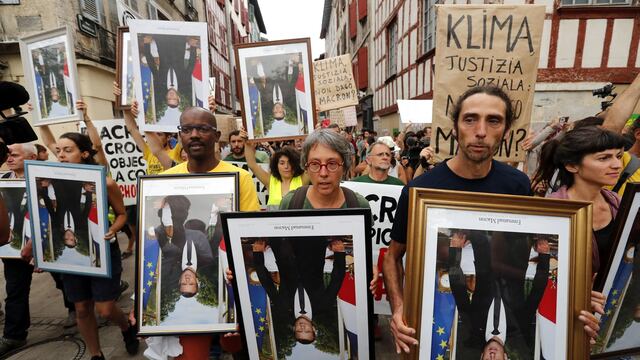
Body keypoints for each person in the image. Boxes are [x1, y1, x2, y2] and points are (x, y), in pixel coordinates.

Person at [382, 85, 532, 354]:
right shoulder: (420, 190)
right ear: (455, 127)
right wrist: (399, 308)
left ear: (506, 131)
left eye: (494, 120)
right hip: (435, 310)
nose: (481, 131)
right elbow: (392, 257)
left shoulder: (518, 186)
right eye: (470, 119)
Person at [158, 106, 260, 359]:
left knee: (241, 350)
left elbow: (249, 233)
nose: (194, 134)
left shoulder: (240, 177)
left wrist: (240, 263)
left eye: (202, 129)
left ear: (216, 136)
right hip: (194, 302)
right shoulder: (165, 180)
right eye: (187, 129)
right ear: (179, 135)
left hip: (233, 284)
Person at [37, 129, 138, 360]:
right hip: (70, 257)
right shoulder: (50, 182)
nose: (61, 154)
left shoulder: (105, 181)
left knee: (104, 308)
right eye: (58, 151)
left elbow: (122, 214)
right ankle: (96, 354)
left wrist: (112, 229)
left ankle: (126, 327)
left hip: (101, 250)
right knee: (82, 307)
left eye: (68, 150)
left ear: (84, 154)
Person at [534, 126, 625, 339]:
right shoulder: (551, 213)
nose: (617, 164)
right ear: (572, 165)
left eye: (618, 156)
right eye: (604, 158)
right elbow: (537, 276)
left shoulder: (619, 204)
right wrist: (576, 295)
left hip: (610, 315)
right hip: (566, 324)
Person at [448, 230, 550, 359]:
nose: (492, 355)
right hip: (518, 243)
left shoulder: (472, 326)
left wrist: (455, 251)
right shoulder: (520, 326)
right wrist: (544, 255)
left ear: (481, 357)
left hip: (484, 241)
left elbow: (458, 288)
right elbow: (537, 292)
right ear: (506, 357)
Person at [141, 35, 199, 125]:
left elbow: (151, 64)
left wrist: (147, 44)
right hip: (179, 42)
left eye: (169, 98)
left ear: (166, 97)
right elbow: (191, 64)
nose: (171, 95)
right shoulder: (184, 81)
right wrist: (193, 46)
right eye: (174, 98)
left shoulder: (160, 81)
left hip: (161, 41)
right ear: (178, 97)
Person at [244, 138, 308, 209]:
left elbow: (312, 160)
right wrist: (247, 143)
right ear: (276, 165)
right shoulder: (270, 181)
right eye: (282, 163)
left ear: (296, 164)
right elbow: (252, 164)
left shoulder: (302, 180)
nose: (286, 166)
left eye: (290, 162)